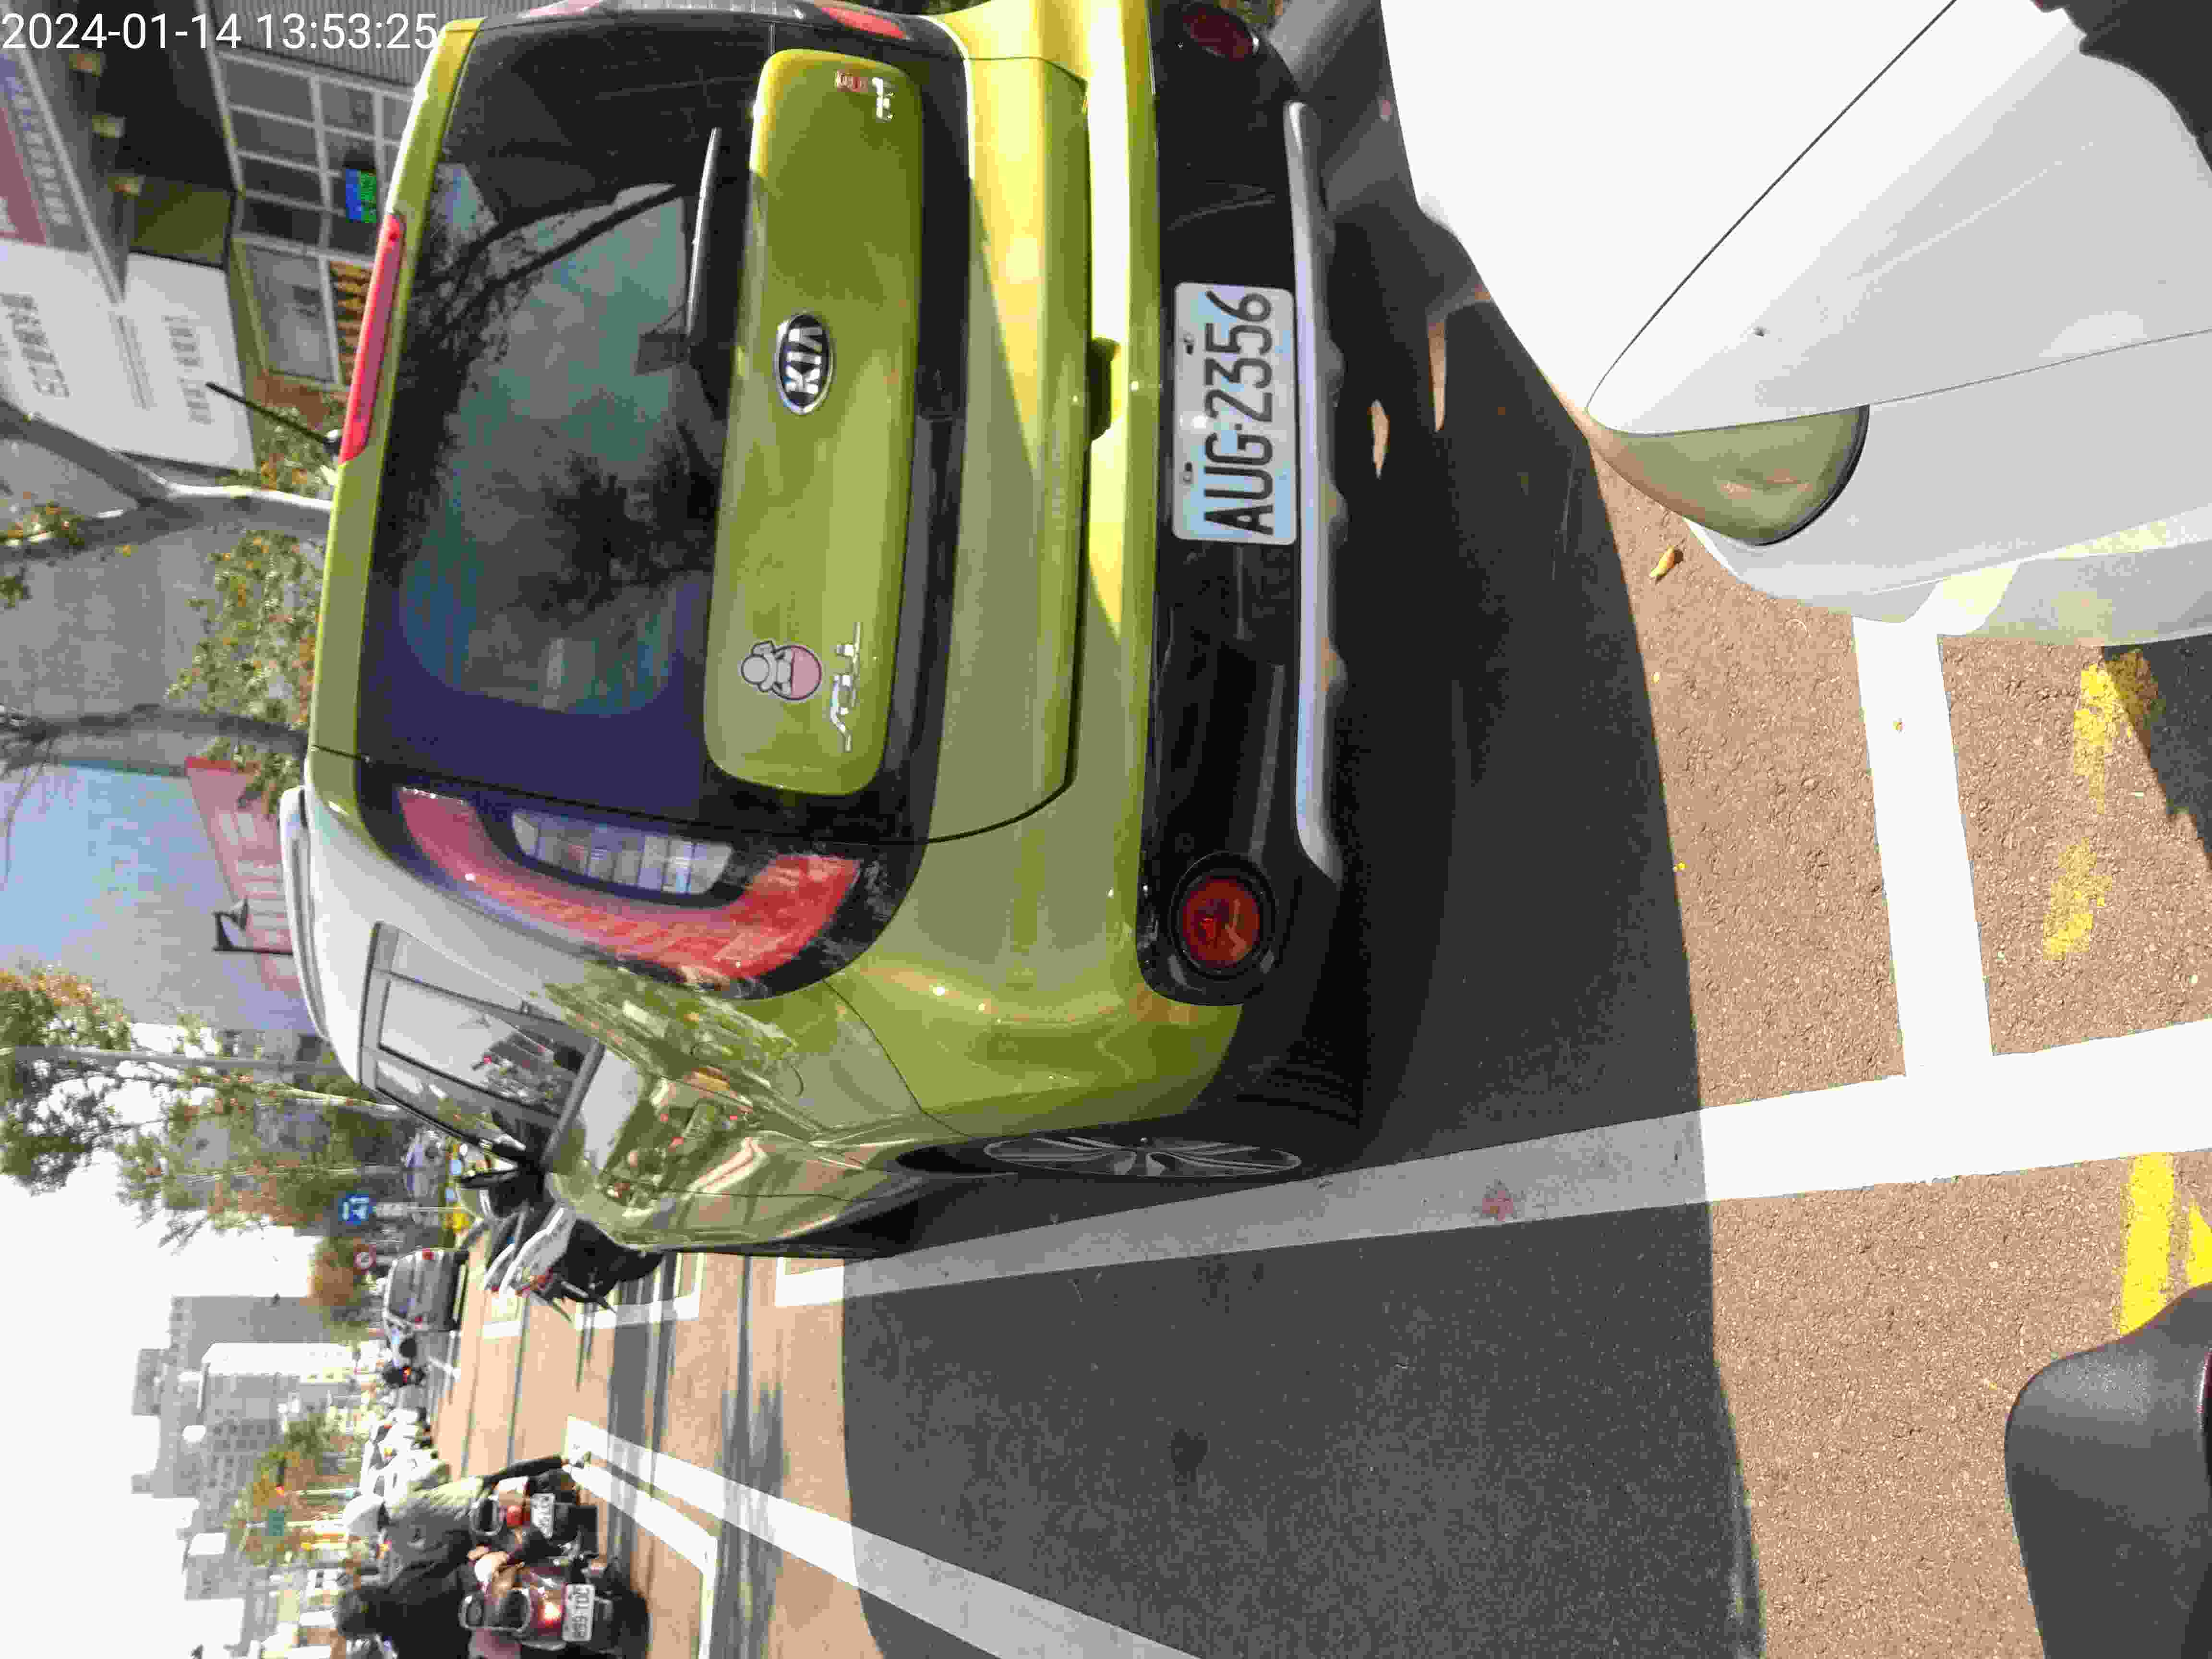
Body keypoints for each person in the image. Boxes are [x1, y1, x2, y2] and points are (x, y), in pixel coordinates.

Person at [345, 1452, 588, 1580]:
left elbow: (437, 1552)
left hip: (478, 1530)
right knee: (517, 1472)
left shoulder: (399, 1547)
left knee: (513, 1557)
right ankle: (569, 1460)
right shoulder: (402, 1490)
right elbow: (441, 1468)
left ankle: (566, 1555)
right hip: (476, 1492)